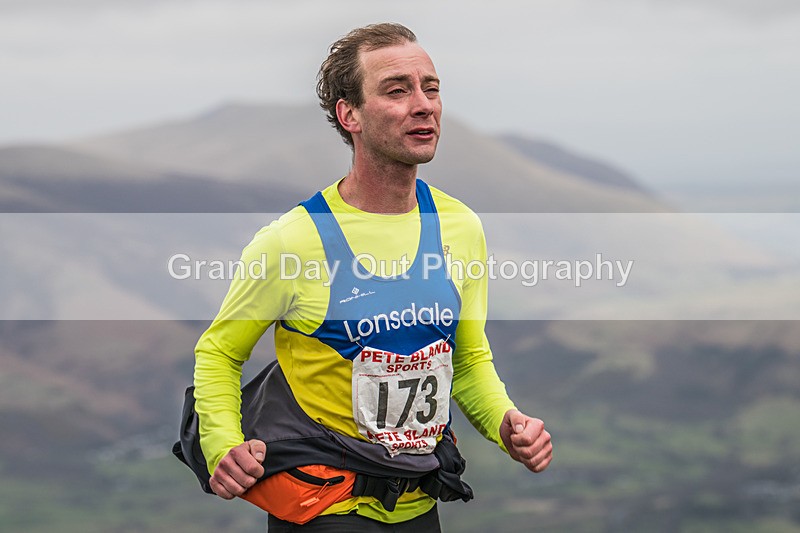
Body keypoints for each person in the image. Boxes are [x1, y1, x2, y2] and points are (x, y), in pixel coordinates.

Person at [193, 22, 553, 531]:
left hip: (420, 506)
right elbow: (219, 352)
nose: (424, 104)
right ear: (350, 115)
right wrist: (222, 445)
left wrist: (506, 424)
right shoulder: (292, 241)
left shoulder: (460, 227)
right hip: (324, 510)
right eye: (397, 90)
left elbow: (468, 359)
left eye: (431, 87)